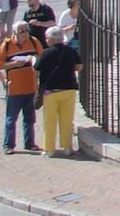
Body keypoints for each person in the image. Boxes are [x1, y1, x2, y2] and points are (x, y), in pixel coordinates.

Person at [0, 20, 44, 153]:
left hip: (31, 87)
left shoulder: (34, 42)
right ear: (15, 33)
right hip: (14, 89)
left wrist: (35, 61)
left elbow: (42, 58)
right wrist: (14, 64)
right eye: (22, 31)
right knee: (11, 119)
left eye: (27, 30)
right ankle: (8, 145)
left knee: (30, 118)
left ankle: (30, 143)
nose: (25, 34)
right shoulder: (6, 45)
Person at [35, 26, 81, 158]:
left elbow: (36, 71)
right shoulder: (71, 51)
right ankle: (67, 147)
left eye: (47, 38)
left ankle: (49, 149)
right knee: (67, 120)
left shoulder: (46, 53)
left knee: (50, 121)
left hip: (51, 92)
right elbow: (79, 66)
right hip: (69, 90)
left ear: (52, 39)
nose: (46, 40)